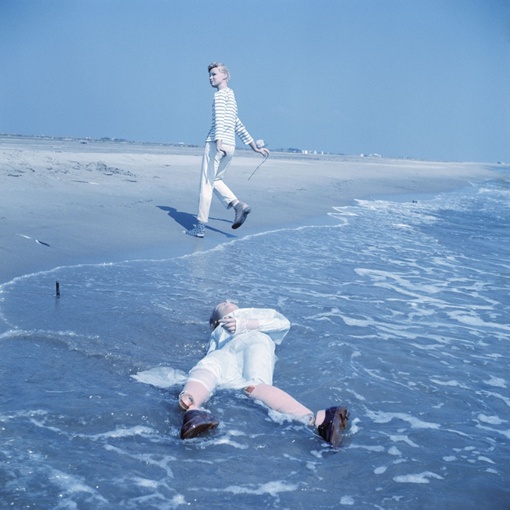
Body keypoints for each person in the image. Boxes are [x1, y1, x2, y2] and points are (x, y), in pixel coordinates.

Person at [178, 301, 349, 446]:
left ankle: (314, 419)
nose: (227, 301)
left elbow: (283, 323)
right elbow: (211, 354)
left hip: (256, 341)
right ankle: (192, 409)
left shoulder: (248, 313)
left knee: (255, 382)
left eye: (230, 302)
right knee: (209, 367)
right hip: (226, 351)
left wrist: (246, 323)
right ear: (214, 322)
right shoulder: (217, 332)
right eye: (221, 304)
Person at [185, 62, 270, 238]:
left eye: (214, 74)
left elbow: (221, 119)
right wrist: (253, 146)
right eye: (209, 75)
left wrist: (218, 141)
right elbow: (237, 123)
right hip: (230, 147)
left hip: (217, 144)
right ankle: (239, 206)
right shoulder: (232, 96)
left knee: (206, 185)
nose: (211, 78)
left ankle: (200, 227)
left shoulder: (220, 96)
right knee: (216, 180)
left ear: (225, 75)